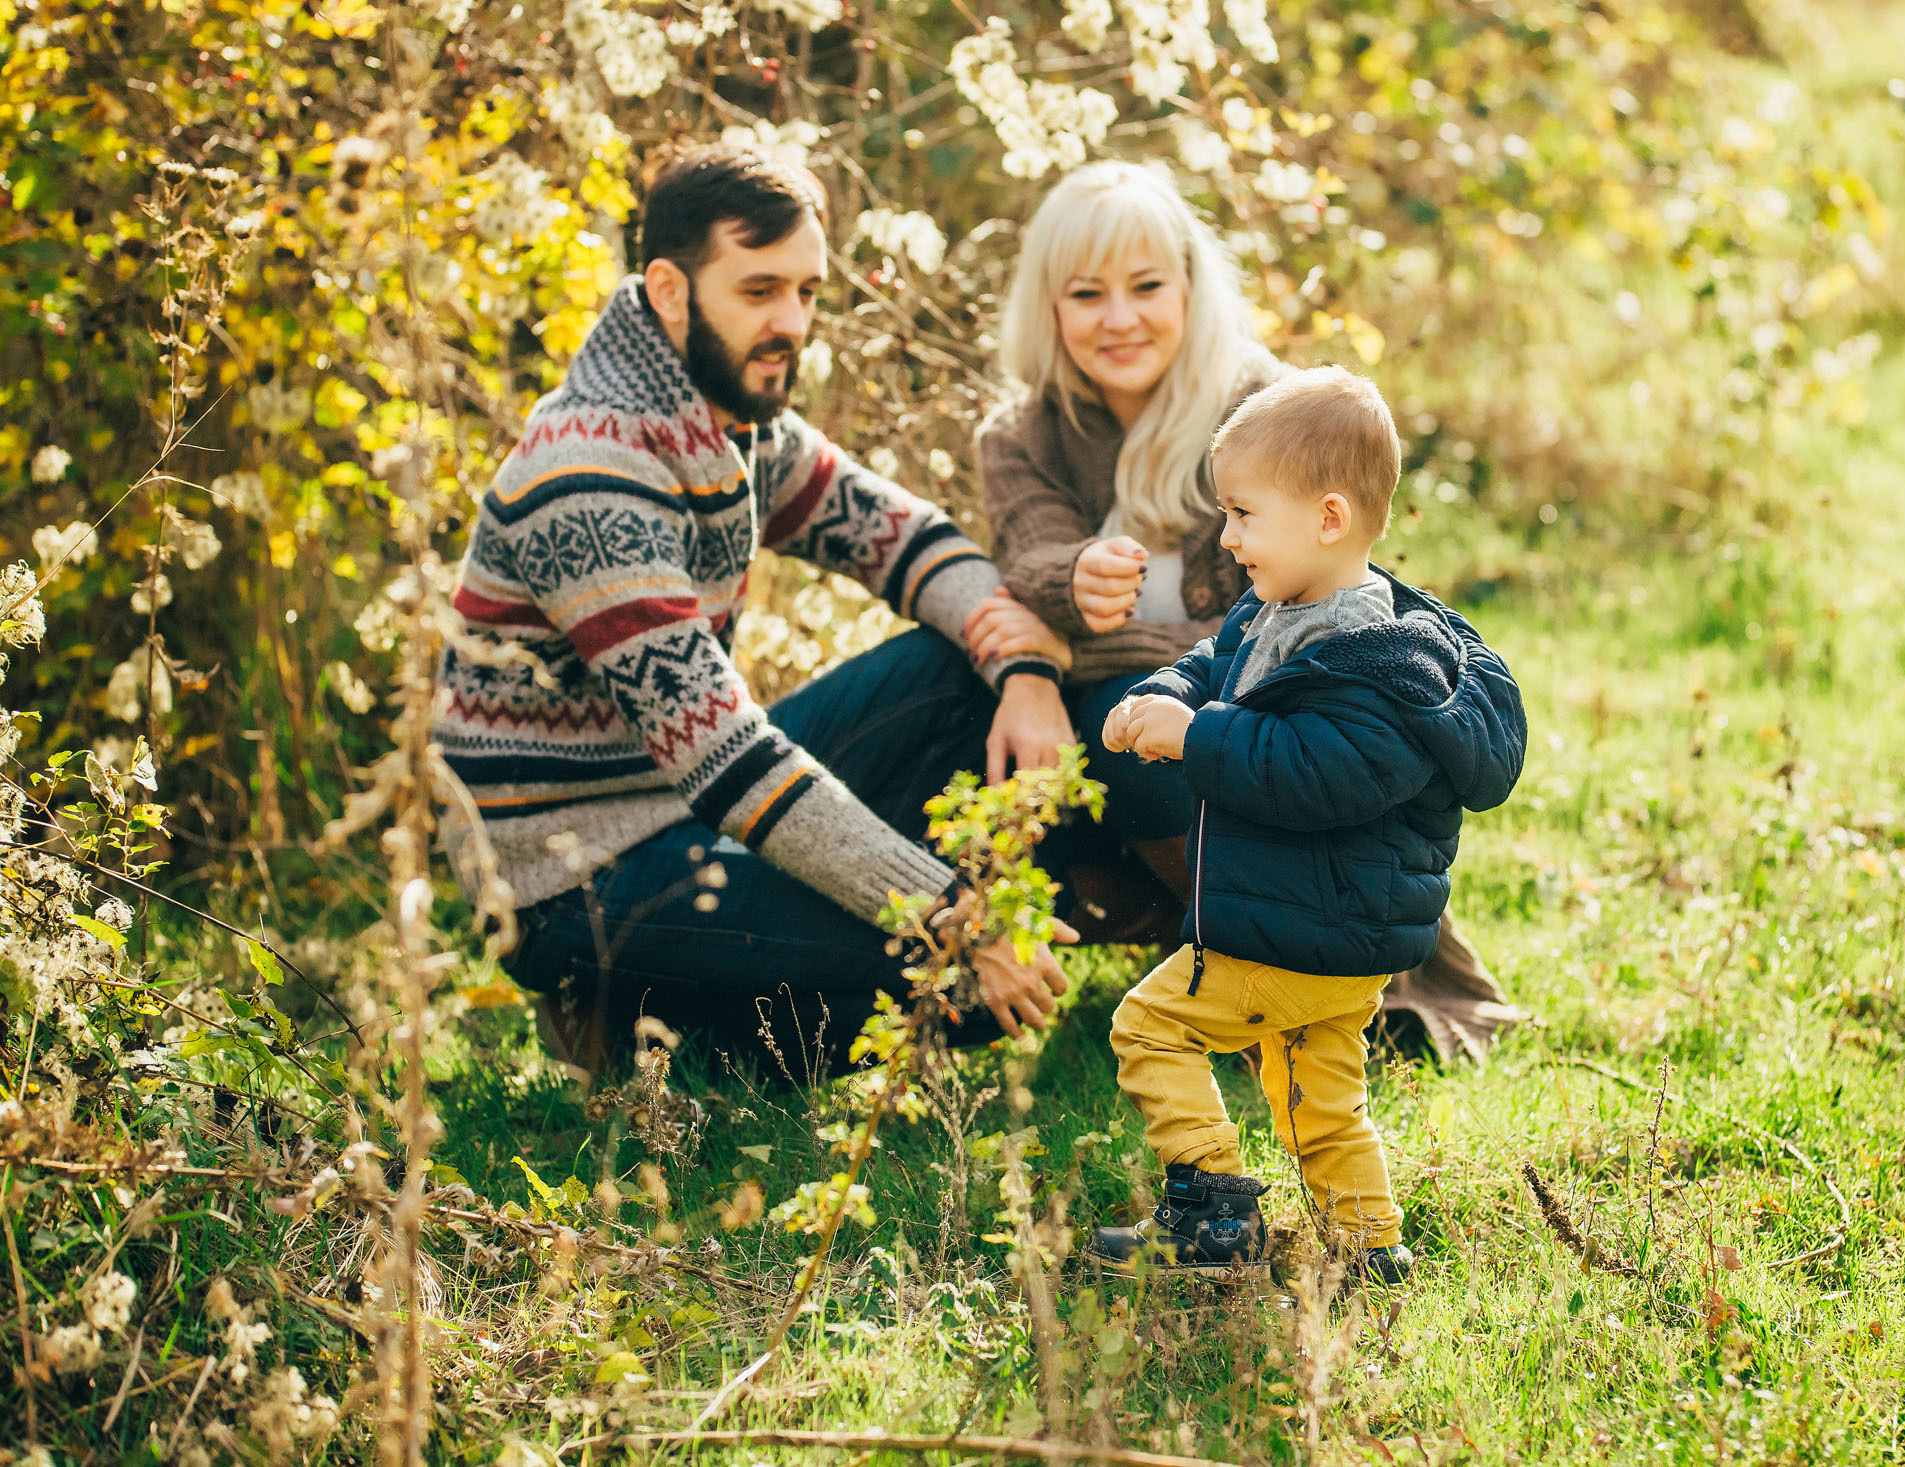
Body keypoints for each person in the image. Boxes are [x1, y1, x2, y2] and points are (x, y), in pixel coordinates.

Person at [435, 144, 1082, 1080]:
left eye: (809, 293)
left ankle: (687, 1006)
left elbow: (909, 541)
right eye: (760, 290)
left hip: (682, 811)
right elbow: (728, 756)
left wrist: (1025, 673)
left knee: (957, 674)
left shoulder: (728, 422)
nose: (792, 323)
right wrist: (951, 912)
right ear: (668, 289)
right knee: (963, 990)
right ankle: (639, 1022)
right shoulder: (589, 475)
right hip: (569, 877)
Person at [975, 160, 1522, 1060]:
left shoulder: (1259, 410)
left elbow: (1285, 630)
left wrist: (1071, 645)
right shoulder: (1021, 434)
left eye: (1148, 286)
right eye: (1087, 293)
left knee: (1151, 728)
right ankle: (1163, 940)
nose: (1120, 317)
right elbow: (1028, 547)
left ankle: (1288, 957)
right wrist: (1065, 586)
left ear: (1190, 287)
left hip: (1270, 732)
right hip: (1146, 737)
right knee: (1073, 724)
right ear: (1050, 305)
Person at [1087, 368, 1527, 1283]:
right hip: (1332, 934)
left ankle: (1212, 1219)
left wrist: (1198, 739)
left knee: (1150, 1028)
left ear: (1329, 518)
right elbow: (1216, 660)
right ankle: (1372, 1251)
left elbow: (1314, 773)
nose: (1227, 536)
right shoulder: (1286, 609)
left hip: (1300, 932)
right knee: (1316, 1101)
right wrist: (1166, 694)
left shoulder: (1380, 666)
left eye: (1244, 514)